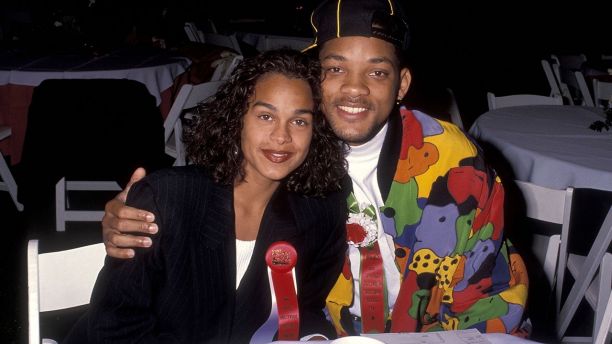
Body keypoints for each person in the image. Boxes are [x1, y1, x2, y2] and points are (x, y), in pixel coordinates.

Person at [102, 0, 529, 337]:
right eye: (335, 69)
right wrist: (132, 214)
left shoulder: (452, 161)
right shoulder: (292, 154)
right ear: (315, 79)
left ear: (401, 84)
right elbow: (211, 206)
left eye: (377, 72)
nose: (354, 88)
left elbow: (485, 288)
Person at [65, 49, 348, 343]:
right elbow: (114, 325)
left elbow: (306, 310)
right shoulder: (167, 200)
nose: (282, 136)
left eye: (299, 121)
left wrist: (313, 337)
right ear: (237, 119)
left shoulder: (319, 214)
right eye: (266, 116)